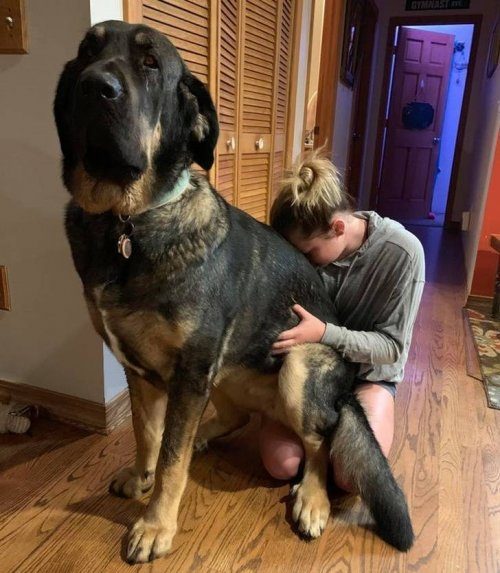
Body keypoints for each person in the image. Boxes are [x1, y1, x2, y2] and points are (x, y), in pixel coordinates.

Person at [259, 153, 425, 491]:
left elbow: (391, 348)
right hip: (307, 372)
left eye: (308, 252)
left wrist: (324, 334)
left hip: (368, 377)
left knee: (350, 476)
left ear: (338, 228)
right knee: (282, 464)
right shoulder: (313, 249)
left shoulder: (402, 252)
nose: (303, 263)